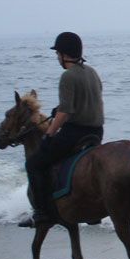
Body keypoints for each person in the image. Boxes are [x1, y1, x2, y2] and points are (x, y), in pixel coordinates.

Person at [18, 32, 105, 228]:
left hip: (74, 133)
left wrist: (49, 134)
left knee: (34, 164)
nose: (57, 57)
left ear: (65, 54)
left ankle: (41, 213)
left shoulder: (67, 76)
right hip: (97, 132)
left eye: (58, 53)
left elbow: (65, 112)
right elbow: (92, 101)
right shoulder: (92, 72)